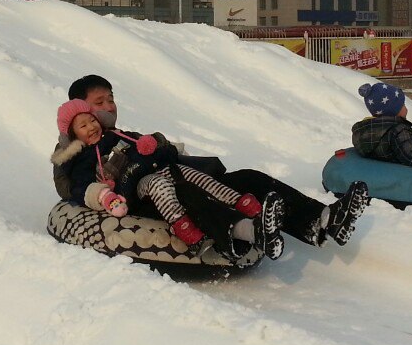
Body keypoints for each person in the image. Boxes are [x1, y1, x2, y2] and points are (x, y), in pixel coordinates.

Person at [53, 75, 371, 250]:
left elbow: (166, 151)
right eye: (100, 103)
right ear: (80, 111)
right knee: (190, 195)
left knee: (249, 178)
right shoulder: (72, 153)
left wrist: (158, 145)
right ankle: (244, 233)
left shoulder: (125, 134)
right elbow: (72, 189)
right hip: (149, 202)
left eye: (111, 98)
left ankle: (323, 221)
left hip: (176, 178)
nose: (109, 106)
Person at [52, 99, 285, 262]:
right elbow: (82, 187)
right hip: (131, 189)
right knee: (158, 184)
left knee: (193, 176)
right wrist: (106, 196)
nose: (91, 127)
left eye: (91, 120)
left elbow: (148, 145)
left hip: (155, 168)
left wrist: (151, 143)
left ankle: (247, 206)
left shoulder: (116, 135)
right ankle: (185, 229)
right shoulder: (81, 158)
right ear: (73, 135)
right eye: (82, 125)